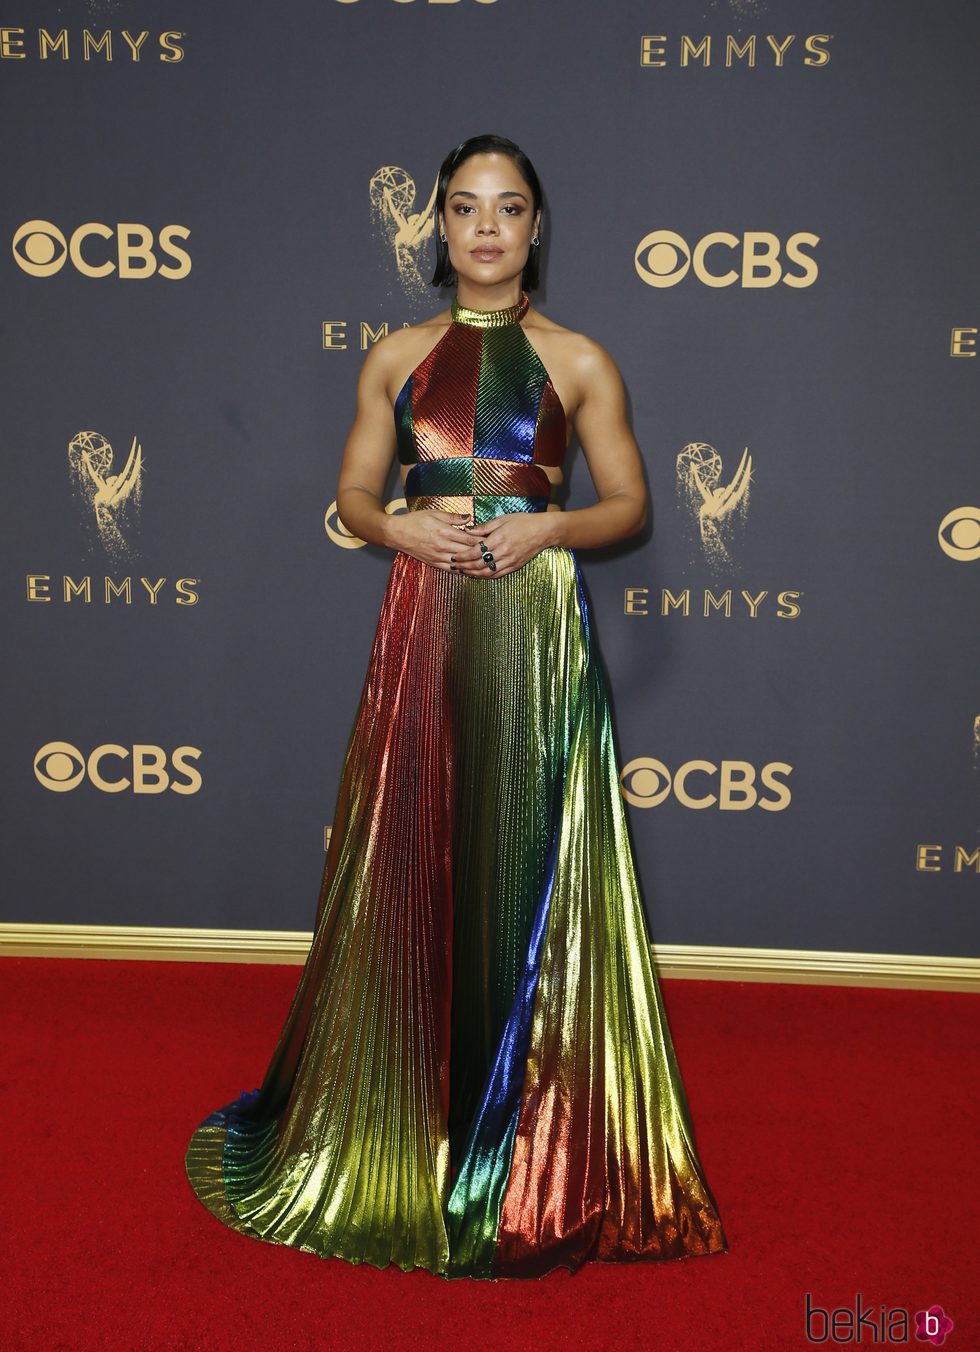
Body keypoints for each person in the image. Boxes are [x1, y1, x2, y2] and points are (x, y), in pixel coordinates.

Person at [185, 133, 728, 1282]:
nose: (486, 227)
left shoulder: (579, 360)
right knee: (415, 853)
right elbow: (348, 484)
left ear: (536, 228)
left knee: (525, 864)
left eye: (509, 207)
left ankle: (526, 1141)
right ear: (438, 228)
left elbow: (625, 503)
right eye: (465, 207)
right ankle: (402, 1119)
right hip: (423, 620)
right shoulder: (394, 354)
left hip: (532, 629)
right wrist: (392, 520)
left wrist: (548, 526)